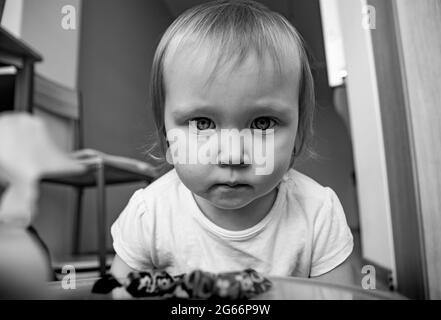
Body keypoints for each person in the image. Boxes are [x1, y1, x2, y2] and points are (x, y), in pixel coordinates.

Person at [110, 0, 355, 286]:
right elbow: (119, 292)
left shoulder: (318, 213)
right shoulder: (149, 214)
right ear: (168, 141)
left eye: (262, 123)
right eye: (202, 124)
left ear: (298, 138)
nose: (232, 155)